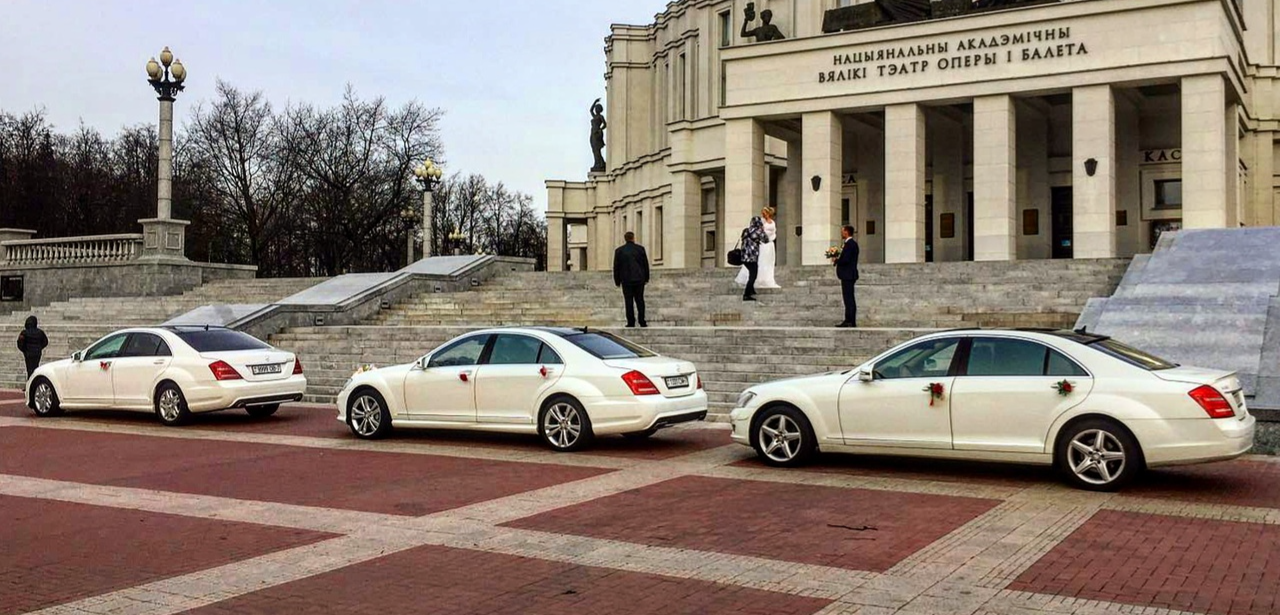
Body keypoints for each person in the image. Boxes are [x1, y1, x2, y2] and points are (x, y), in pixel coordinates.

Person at [736, 207, 780, 290]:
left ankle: (765, 280)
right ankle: (756, 281)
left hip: (767, 245)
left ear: (768, 213)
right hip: (759, 245)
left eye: (764, 212)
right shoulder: (760, 222)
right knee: (759, 262)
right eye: (762, 212)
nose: (762, 214)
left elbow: (769, 235)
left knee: (767, 262)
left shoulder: (772, 223)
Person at [613, 231, 650, 327]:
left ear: (625, 239)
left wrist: (617, 280)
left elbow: (616, 267)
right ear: (633, 238)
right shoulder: (640, 249)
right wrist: (646, 277)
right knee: (640, 300)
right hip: (639, 278)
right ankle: (642, 320)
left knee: (628, 301)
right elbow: (645, 265)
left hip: (626, 279)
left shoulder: (619, 251)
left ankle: (631, 322)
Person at [834, 225, 860, 327]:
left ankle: (850, 320)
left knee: (848, 298)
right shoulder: (850, 244)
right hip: (848, 274)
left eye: (842, 231)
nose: (841, 233)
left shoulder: (850, 244)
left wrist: (837, 260)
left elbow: (846, 259)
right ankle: (849, 320)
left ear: (846, 232)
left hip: (848, 274)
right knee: (848, 298)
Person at [739, 216, 767, 302]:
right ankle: (746, 294)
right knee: (753, 275)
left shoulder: (746, 230)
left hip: (744, 256)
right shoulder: (758, 231)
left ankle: (751, 290)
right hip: (752, 257)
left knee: (752, 272)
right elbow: (765, 239)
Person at [16, 315, 48, 380]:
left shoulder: (24, 333)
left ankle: (30, 384)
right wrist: (39, 348)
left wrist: (24, 350)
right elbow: (45, 342)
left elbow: (20, 343)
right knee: (35, 367)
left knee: (29, 369)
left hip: (28, 353)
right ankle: (33, 383)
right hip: (37, 353)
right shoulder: (40, 332)